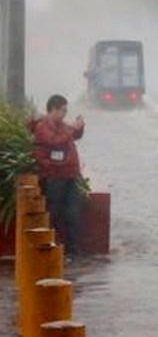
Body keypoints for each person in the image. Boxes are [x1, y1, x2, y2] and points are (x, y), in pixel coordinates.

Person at [30, 94, 86, 255]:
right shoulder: (43, 127)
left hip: (69, 175)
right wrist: (72, 129)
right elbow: (55, 141)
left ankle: (73, 250)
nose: (64, 114)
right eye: (62, 110)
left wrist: (79, 127)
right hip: (54, 175)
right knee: (54, 213)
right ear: (53, 109)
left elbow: (75, 135)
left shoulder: (61, 125)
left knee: (73, 212)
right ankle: (51, 248)